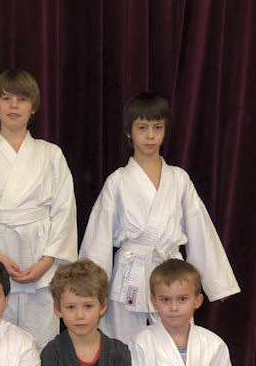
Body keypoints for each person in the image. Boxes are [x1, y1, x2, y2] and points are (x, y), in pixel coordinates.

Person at [79, 91, 239, 344]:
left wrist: (216, 281)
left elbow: (199, 228)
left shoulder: (179, 179)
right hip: (130, 273)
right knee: (124, 344)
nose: (150, 135)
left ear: (165, 131)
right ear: (129, 132)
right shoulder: (118, 181)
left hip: (171, 272)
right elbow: (98, 237)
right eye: (142, 128)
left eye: (157, 127)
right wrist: (90, 289)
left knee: (174, 341)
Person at [0, 69, 77, 350]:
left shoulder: (51, 154)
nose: (13, 106)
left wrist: (48, 260)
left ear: (33, 107)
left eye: (21, 99)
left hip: (40, 259)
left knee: (41, 342)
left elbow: (64, 210)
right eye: (6, 98)